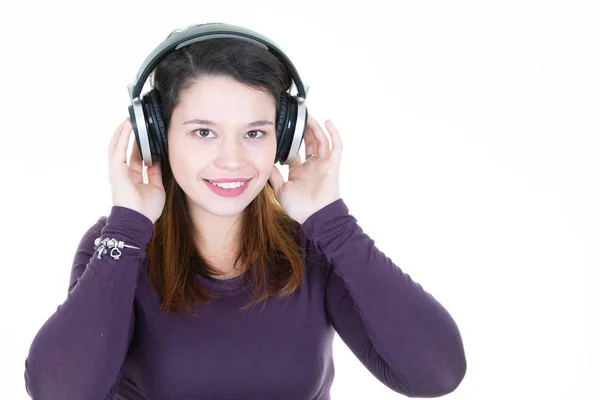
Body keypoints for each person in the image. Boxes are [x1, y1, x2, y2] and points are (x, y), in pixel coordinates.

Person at [23, 23, 467, 399]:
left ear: (285, 136)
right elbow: (60, 391)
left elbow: (437, 374)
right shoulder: (118, 247)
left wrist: (332, 221)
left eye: (254, 133)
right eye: (203, 132)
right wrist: (127, 226)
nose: (233, 160)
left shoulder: (316, 247)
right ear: (157, 137)